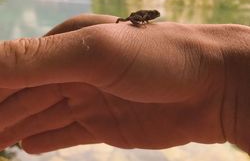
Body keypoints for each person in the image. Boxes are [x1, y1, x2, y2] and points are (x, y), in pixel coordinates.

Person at [0, 13, 249, 154]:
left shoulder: (144, 22)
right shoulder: (139, 20)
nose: (152, 17)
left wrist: (225, 80)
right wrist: (225, 79)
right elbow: (135, 21)